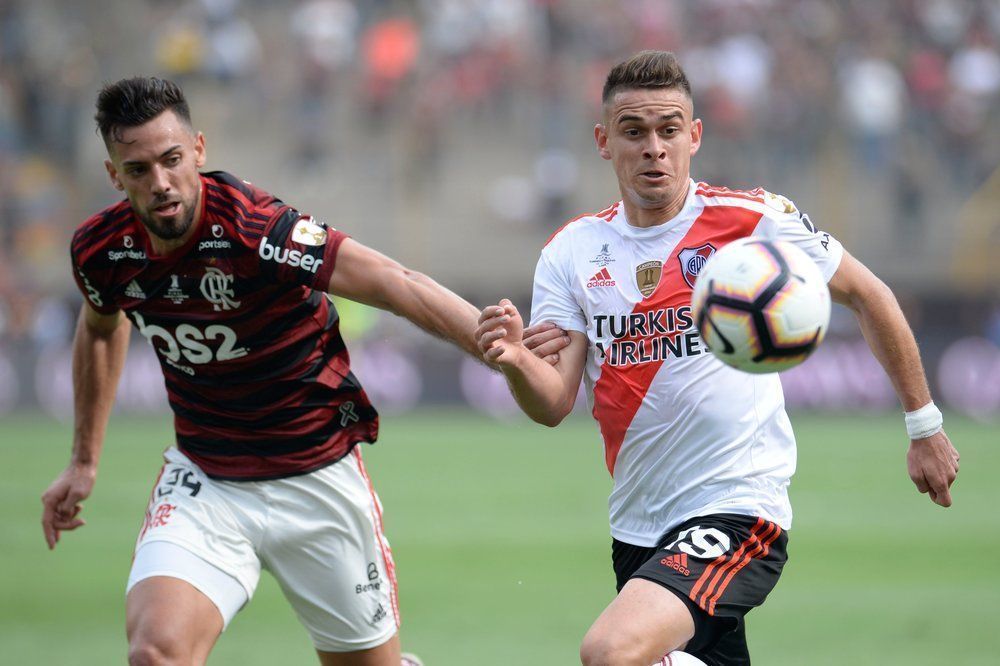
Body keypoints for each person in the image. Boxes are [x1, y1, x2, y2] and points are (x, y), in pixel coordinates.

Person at [38, 76, 553, 666]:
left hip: (316, 476)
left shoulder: (257, 229)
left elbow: (395, 283)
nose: (160, 184)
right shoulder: (102, 250)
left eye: (172, 160)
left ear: (199, 151)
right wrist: (83, 459)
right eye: (138, 170)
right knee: (156, 653)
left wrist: (494, 345)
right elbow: (102, 329)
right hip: (206, 481)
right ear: (114, 176)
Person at [475, 51, 960, 666]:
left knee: (612, 652)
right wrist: (517, 358)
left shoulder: (754, 220)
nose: (654, 146)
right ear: (604, 141)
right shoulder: (571, 252)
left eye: (668, 130)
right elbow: (552, 403)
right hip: (638, 525)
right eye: (634, 132)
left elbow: (869, 295)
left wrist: (924, 425)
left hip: (738, 508)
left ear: (694, 136)